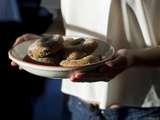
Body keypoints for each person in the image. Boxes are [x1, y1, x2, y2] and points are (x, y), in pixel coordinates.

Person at [11, 0, 160, 119]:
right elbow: (61, 20)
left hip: (146, 106)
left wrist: (133, 58)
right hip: (79, 105)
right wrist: (45, 41)